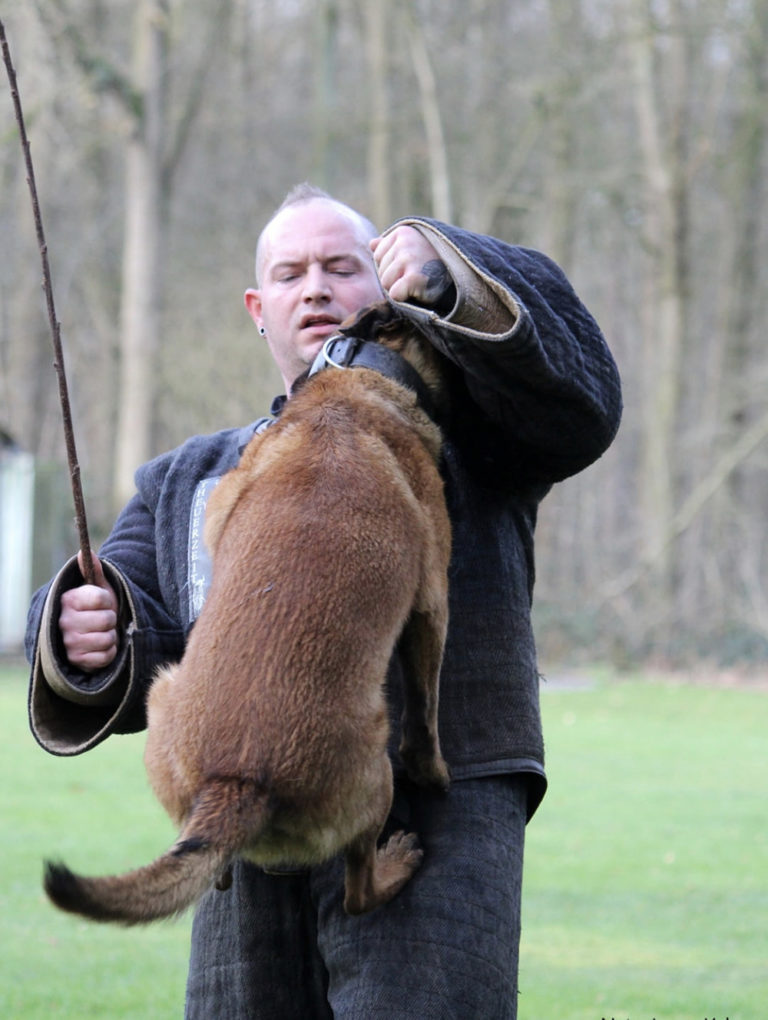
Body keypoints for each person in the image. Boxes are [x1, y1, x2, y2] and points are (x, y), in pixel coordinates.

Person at [25, 183, 622, 1019]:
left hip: (434, 819)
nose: (316, 288)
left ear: (389, 292)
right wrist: (79, 635)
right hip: (235, 841)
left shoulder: (473, 434)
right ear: (257, 307)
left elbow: (583, 397)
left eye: (344, 267)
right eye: (291, 273)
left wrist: (453, 266)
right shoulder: (192, 476)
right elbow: (138, 621)